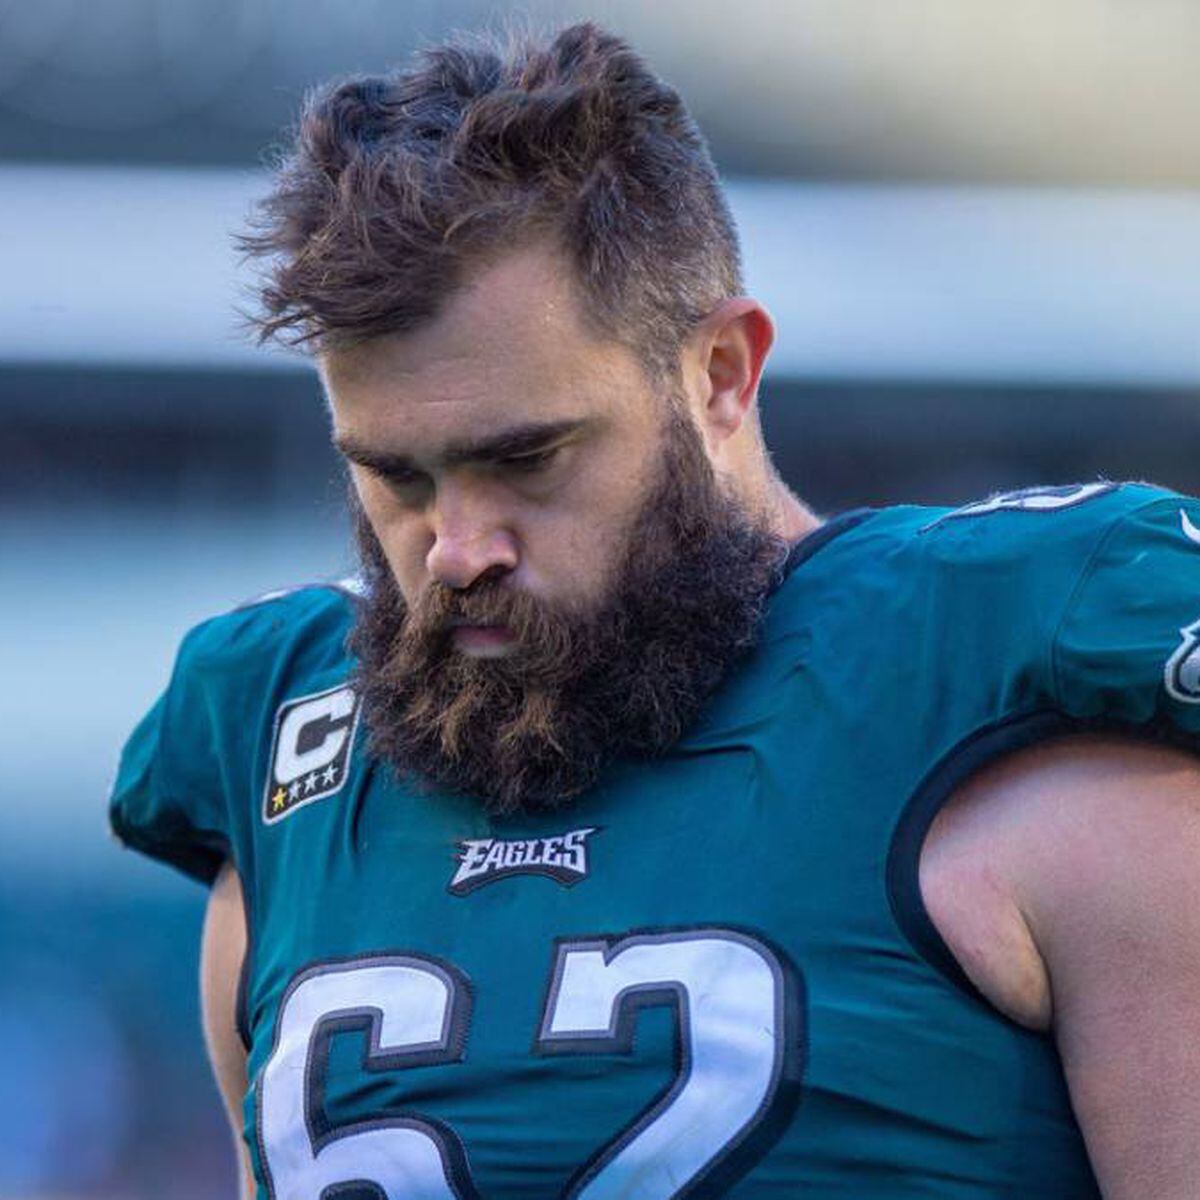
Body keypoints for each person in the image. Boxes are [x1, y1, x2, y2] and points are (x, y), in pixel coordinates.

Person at [109, 22, 1200, 1199]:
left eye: (529, 458)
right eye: (397, 478)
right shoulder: (290, 755)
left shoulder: (1017, 698)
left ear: (722, 372)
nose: (457, 553)